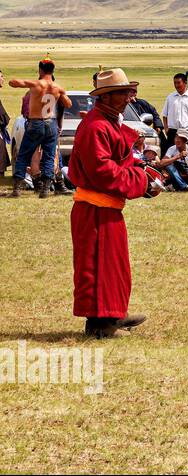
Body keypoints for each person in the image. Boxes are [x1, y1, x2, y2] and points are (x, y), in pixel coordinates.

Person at [68, 68, 160, 339]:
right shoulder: (96, 126)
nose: (129, 98)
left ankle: (113, 314)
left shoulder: (108, 122)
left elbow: (121, 159)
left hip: (107, 207)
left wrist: (143, 170)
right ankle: (101, 325)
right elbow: (103, 171)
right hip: (94, 209)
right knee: (96, 267)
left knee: (113, 266)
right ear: (107, 97)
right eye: (123, 93)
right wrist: (140, 182)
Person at [8, 57, 71, 197]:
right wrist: (60, 95)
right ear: (53, 70)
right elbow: (68, 104)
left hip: (36, 122)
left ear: (40, 70)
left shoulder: (36, 84)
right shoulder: (58, 87)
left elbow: (14, 82)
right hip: (51, 123)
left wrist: (13, 81)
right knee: (49, 156)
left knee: (24, 155)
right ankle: (45, 190)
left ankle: (17, 189)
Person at [161, 72, 188, 153]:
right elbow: (164, 115)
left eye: (178, 83)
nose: (176, 85)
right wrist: (166, 129)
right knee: (170, 156)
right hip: (173, 132)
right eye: (175, 83)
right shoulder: (170, 97)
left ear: (185, 83)